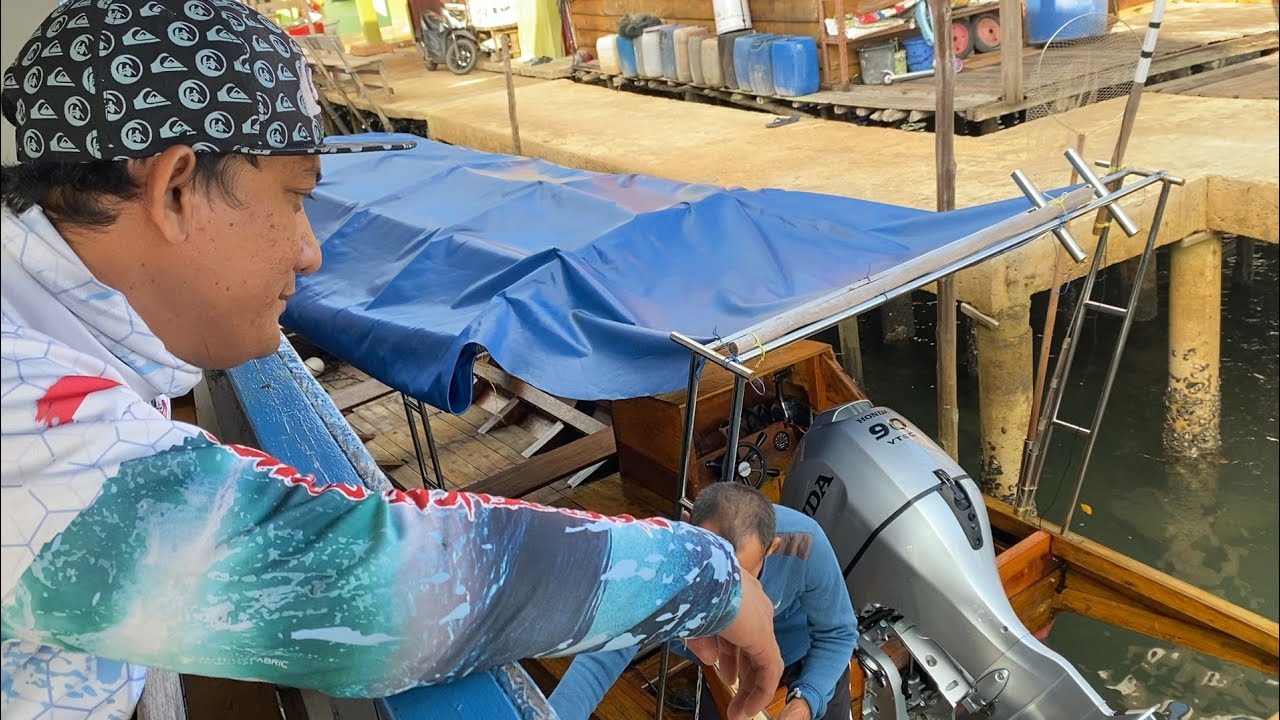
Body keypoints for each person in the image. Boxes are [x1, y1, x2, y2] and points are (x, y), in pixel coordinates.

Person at [0, 2, 783, 718]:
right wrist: (709, 578)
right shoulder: (26, 427)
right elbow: (387, 592)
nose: (308, 254)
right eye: (297, 197)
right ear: (175, 188)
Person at [549, 482, 859, 720]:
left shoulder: (805, 544)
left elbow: (839, 633)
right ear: (687, 524)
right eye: (710, 574)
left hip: (801, 656)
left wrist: (806, 701)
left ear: (772, 548)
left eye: (743, 583)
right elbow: (604, 654)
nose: (725, 602)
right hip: (719, 666)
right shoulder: (663, 557)